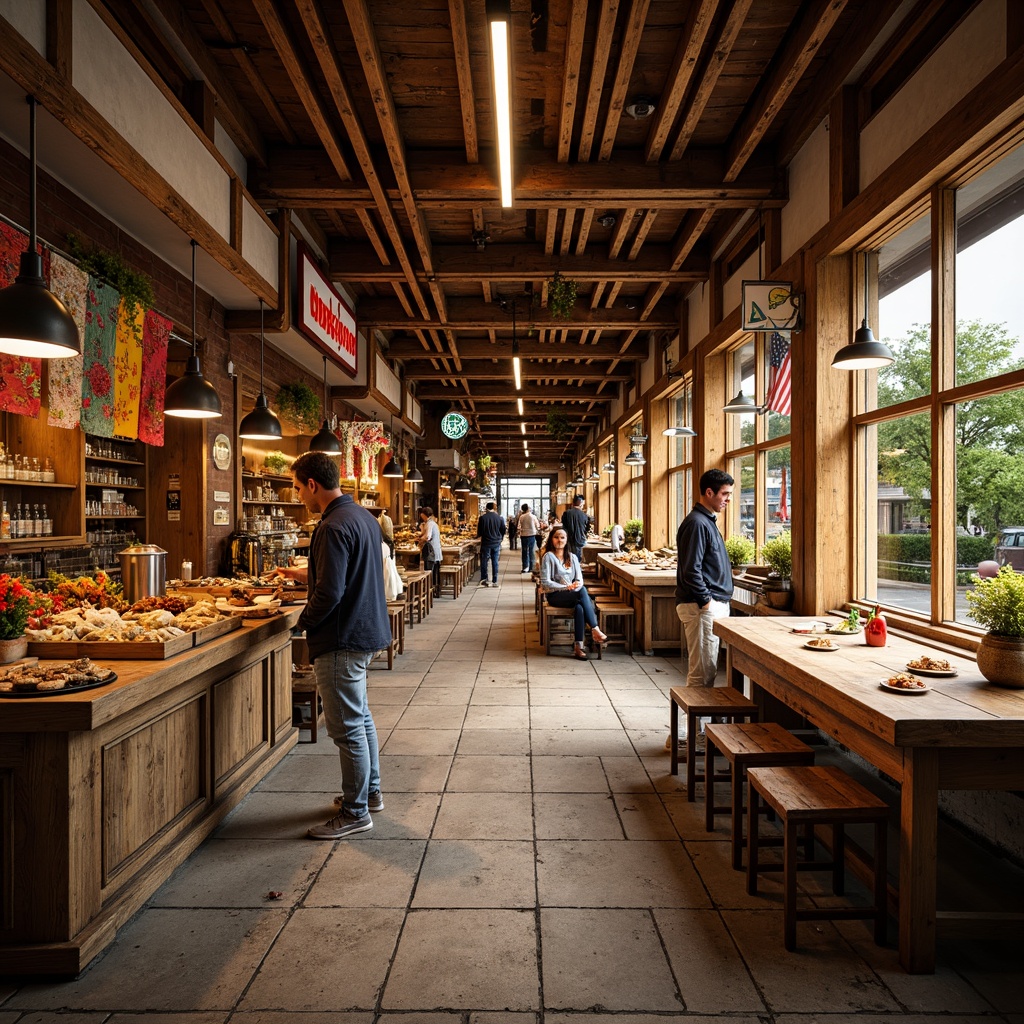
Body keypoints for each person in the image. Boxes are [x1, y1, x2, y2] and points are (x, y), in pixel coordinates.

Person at [282, 451, 392, 840]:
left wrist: (301, 624)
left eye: (298, 489)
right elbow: (350, 571)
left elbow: (330, 593)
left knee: (346, 729)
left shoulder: (330, 526)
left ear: (313, 484)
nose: (298, 497)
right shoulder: (362, 516)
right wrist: (305, 572)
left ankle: (355, 811)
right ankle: (370, 793)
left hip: (341, 637)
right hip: (365, 630)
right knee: (361, 719)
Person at [675, 468, 735, 689]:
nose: (728, 499)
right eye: (725, 494)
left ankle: (702, 723)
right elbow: (692, 570)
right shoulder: (698, 523)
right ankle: (692, 725)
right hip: (702, 608)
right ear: (709, 492)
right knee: (702, 675)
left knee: (708, 671)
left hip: (707, 606)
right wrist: (706, 602)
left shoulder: (705, 520)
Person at [539, 527, 607, 659]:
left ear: (567, 540)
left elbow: (580, 579)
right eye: (556, 537)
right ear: (551, 539)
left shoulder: (572, 557)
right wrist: (567, 587)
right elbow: (545, 582)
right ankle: (595, 628)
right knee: (582, 592)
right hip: (555, 595)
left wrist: (575, 585)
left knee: (580, 606)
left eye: (562, 537)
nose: (559, 540)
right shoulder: (548, 557)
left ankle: (578, 646)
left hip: (573, 594)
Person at [476, 500, 506, 586]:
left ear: (486, 508)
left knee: (484, 561)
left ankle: (484, 579)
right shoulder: (500, 518)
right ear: (494, 507)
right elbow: (503, 530)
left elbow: (480, 532)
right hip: (496, 542)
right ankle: (495, 580)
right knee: (495, 561)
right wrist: (500, 538)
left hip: (486, 543)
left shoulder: (482, 518)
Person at [418, 506, 442, 596]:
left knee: (429, 572)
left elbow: (427, 537)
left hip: (431, 552)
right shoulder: (432, 523)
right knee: (436, 572)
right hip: (436, 552)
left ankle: (429, 591)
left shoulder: (429, 523)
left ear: (424, 515)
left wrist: (419, 539)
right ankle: (436, 591)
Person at [560, 494, 589, 560]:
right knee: (578, 561)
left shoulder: (566, 513)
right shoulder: (584, 515)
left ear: (573, 503)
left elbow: (563, 527)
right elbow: (586, 529)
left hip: (568, 541)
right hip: (580, 541)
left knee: (568, 560)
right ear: (581, 504)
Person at [517, 502, 540, 574]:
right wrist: (538, 529)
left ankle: (525, 567)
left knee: (524, 551)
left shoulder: (521, 517)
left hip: (523, 535)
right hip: (532, 535)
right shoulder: (533, 516)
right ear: (528, 509)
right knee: (531, 551)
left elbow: (519, 526)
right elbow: (537, 526)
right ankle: (531, 567)